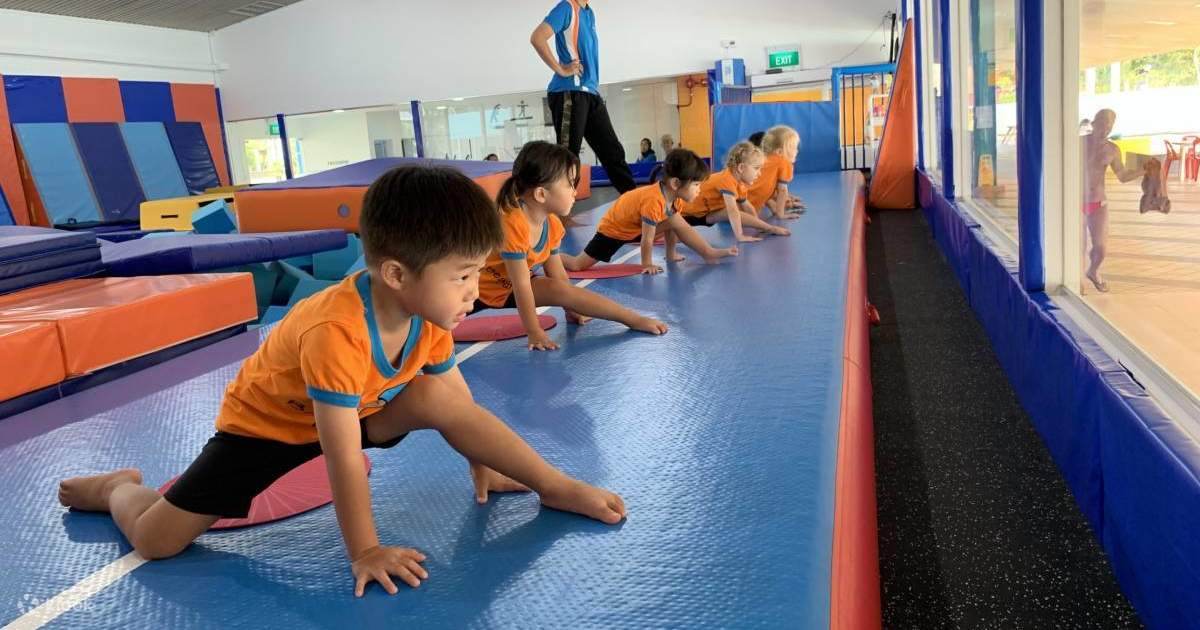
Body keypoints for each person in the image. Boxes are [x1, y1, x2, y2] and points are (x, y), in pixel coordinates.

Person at [58, 165, 627, 597]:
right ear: (397, 273)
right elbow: (341, 456)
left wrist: (483, 461)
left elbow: (456, 401)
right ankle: (115, 489)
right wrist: (365, 550)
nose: (474, 292)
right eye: (462, 276)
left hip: (360, 409)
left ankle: (554, 485)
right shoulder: (336, 331)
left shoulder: (431, 314)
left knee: (435, 392)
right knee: (158, 542)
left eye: (477, 272)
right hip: (266, 429)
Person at [478, 141, 668, 351]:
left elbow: (558, 276)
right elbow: (521, 286)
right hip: (475, 291)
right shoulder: (512, 222)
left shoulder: (552, 224)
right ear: (541, 194)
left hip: (508, 289)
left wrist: (571, 308)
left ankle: (632, 319)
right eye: (570, 184)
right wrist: (534, 331)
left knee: (561, 288)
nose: (575, 192)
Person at [562, 148, 738, 273]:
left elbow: (675, 227)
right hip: (613, 231)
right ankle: (552, 257)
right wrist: (647, 264)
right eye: (697, 185)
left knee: (675, 220)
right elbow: (647, 239)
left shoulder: (676, 199)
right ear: (675, 183)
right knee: (577, 265)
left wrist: (671, 254)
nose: (699, 190)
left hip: (634, 227)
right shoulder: (654, 200)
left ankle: (705, 252)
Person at [530, 0, 637, 193]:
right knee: (568, 159)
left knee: (613, 152)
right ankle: (559, 209)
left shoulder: (589, 13)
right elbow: (537, 38)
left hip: (590, 93)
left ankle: (636, 203)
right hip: (569, 91)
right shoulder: (567, 8)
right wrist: (561, 69)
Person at [681, 141, 791, 242]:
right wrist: (740, 236)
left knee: (730, 212)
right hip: (684, 215)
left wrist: (760, 226)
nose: (759, 173)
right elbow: (732, 210)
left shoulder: (740, 184)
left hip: (703, 215)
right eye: (756, 168)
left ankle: (769, 228)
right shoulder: (726, 179)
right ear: (741, 168)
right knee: (681, 237)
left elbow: (747, 207)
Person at [1083, 109, 1140, 292]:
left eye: (1109, 126)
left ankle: (1093, 271)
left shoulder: (1113, 150)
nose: (1105, 129)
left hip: (1098, 203)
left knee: (1100, 248)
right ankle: (1075, 284)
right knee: (1078, 247)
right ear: (1094, 123)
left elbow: (1122, 175)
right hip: (1075, 202)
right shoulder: (1079, 143)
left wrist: (1143, 169)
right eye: (1102, 124)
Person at [746, 125, 805, 218]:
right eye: (793, 147)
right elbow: (782, 190)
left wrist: (775, 208)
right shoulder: (784, 162)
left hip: (740, 198)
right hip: (747, 205)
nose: (797, 151)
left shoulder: (765, 159)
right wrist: (780, 214)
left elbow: (764, 188)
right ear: (779, 151)